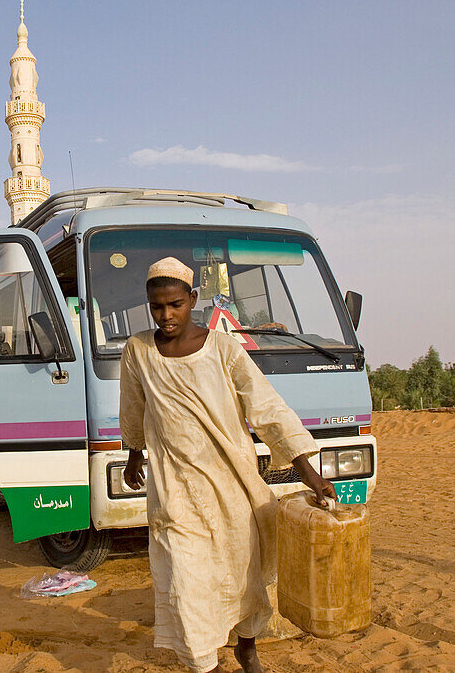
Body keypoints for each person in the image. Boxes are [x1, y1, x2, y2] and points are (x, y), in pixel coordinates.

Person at [120, 257, 337, 673]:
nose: (166, 316)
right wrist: (134, 453)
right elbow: (133, 406)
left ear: (193, 300)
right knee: (185, 580)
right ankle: (205, 663)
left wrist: (310, 473)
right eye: (157, 307)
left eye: (175, 305)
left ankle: (246, 646)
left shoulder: (222, 348)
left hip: (231, 484)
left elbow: (267, 407)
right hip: (174, 489)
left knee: (244, 573)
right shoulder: (139, 351)